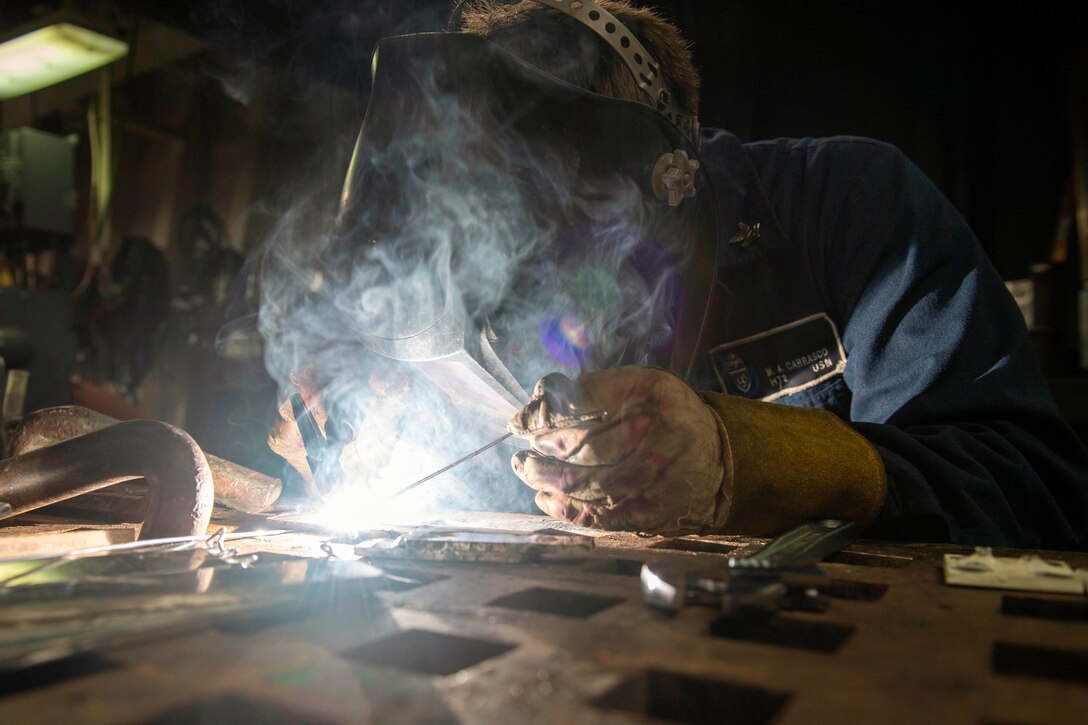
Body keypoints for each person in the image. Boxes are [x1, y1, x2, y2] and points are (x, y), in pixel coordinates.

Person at [272, 0, 1088, 549]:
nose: (551, 313)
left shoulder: (850, 207)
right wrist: (364, 431)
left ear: (668, 176)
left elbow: (1035, 490)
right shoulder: (490, 313)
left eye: (563, 240)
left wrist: (750, 462)